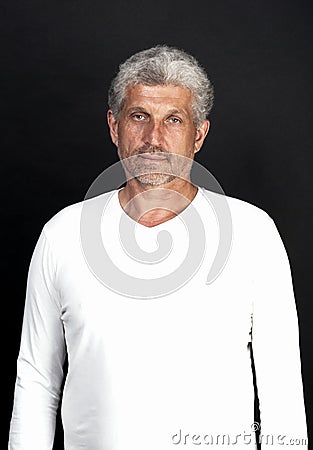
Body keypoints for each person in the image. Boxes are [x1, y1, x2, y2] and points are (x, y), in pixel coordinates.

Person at [9, 46, 307, 449]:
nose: (154, 139)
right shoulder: (62, 234)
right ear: (114, 127)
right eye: (139, 117)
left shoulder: (253, 233)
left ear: (198, 134)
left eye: (173, 120)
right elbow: (37, 381)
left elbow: (280, 384)